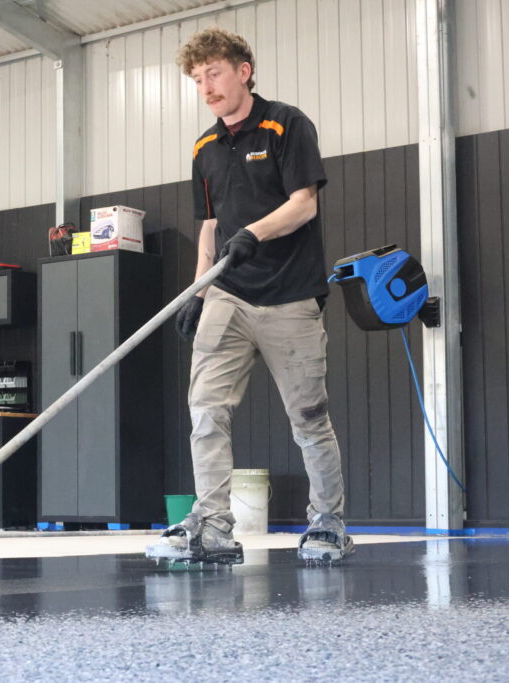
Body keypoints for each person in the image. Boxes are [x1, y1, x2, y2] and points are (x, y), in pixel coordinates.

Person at [152, 27, 354, 565]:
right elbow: (210, 226)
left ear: (243, 70)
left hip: (290, 297)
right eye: (197, 79)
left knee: (309, 418)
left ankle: (328, 522)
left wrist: (253, 234)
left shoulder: (287, 124)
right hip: (228, 295)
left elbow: (304, 204)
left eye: (213, 73)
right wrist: (199, 287)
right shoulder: (204, 147)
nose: (206, 87)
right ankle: (214, 526)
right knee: (205, 411)